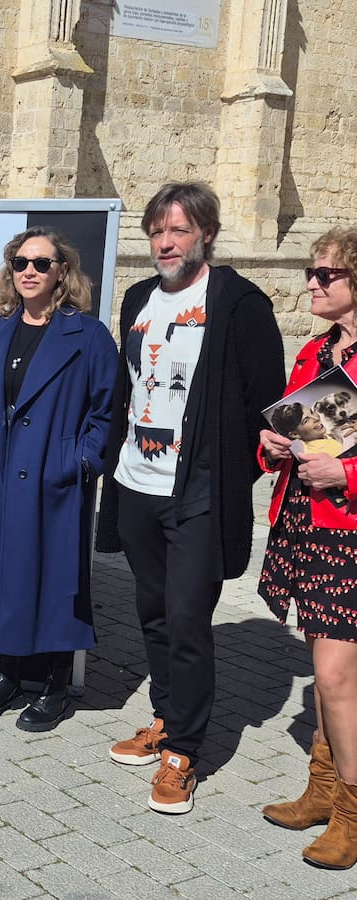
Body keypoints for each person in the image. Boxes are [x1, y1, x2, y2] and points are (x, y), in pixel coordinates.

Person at [96, 182, 285, 812]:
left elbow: (267, 397)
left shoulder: (239, 302)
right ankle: (164, 718)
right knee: (150, 613)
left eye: (178, 231)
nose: (165, 243)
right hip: (136, 483)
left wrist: (237, 470)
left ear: (206, 233)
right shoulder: (138, 299)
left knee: (185, 619)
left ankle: (185, 749)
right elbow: (131, 387)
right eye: (156, 232)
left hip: (197, 489)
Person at [0, 226, 116, 730]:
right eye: (20, 263)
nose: (29, 271)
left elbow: (107, 414)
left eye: (41, 263)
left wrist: (78, 463)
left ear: (62, 272)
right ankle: (6, 677)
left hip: (55, 481)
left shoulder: (88, 336)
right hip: (3, 479)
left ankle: (53, 684)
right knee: (5, 577)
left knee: (53, 579)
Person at [257, 227, 357, 869]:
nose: (311, 284)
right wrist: (270, 450)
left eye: (325, 274)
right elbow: (294, 433)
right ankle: (322, 791)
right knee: (326, 667)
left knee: (334, 674)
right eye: (311, 272)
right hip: (304, 521)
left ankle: (351, 810)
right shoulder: (317, 354)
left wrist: (346, 474)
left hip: (348, 528)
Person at [268, 404, 343, 457]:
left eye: (312, 412)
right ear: (294, 434)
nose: (316, 418)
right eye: (306, 421)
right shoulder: (316, 455)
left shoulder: (327, 434)